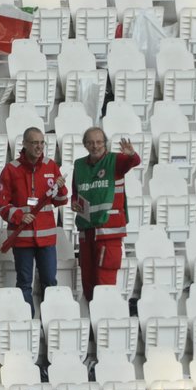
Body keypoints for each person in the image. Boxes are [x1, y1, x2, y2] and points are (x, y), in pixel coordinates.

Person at [0, 127, 67, 310]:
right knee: (24, 283)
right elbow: (2, 206)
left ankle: (49, 322)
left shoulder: (51, 165)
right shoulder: (11, 169)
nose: (39, 147)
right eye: (34, 142)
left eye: (42, 142)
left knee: (50, 282)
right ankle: (27, 322)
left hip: (46, 238)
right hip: (22, 238)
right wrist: (20, 215)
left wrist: (61, 188)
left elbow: (61, 201)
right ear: (25, 144)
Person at [71, 127, 143, 301]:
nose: (95, 146)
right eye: (90, 142)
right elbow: (76, 190)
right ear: (85, 145)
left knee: (105, 283)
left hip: (108, 232)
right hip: (86, 230)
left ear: (105, 144)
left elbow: (133, 162)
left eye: (99, 142)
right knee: (87, 281)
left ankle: (105, 321)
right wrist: (74, 202)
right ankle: (92, 322)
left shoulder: (115, 160)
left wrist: (131, 155)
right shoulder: (79, 165)